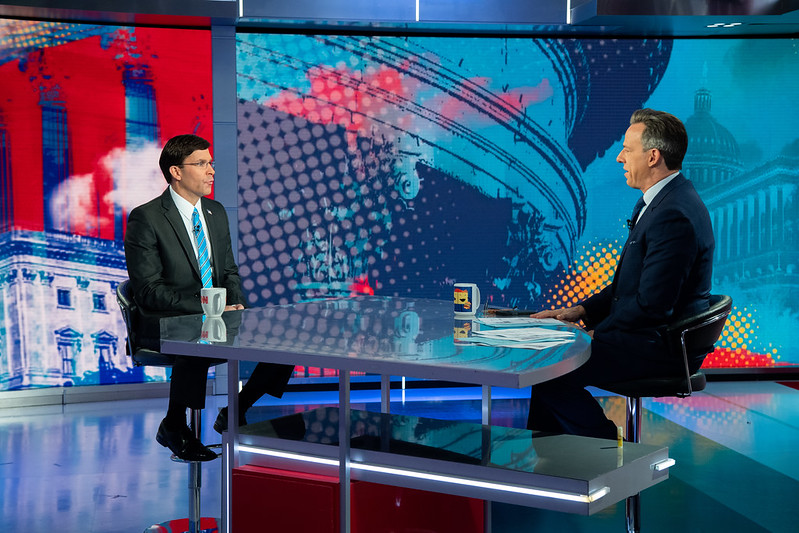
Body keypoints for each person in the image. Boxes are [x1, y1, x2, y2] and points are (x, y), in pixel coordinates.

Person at [526, 109, 714, 439]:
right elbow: (624, 289)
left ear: (653, 156)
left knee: (549, 369)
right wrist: (581, 312)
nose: (618, 158)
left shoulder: (674, 214)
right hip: (645, 334)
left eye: (627, 149)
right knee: (551, 361)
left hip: (657, 348)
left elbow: (651, 306)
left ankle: (609, 457)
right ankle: (552, 469)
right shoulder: (659, 202)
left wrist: (593, 336)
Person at [124, 134, 294, 461]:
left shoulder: (215, 212)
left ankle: (236, 410)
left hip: (218, 312)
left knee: (286, 337)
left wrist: (237, 304)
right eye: (201, 164)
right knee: (200, 337)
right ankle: (174, 425)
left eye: (211, 163)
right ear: (176, 171)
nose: (211, 171)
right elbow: (148, 291)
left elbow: (229, 270)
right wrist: (208, 308)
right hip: (164, 320)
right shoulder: (146, 218)